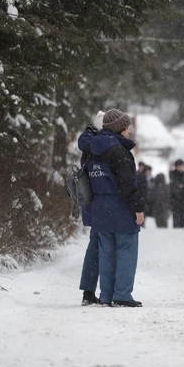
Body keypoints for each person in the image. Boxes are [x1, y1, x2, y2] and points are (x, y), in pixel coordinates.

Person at [85, 109, 146, 307]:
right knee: (126, 251)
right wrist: (138, 208)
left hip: (100, 208)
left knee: (106, 254)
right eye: (127, 128)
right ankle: (122, 295)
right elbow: (126, 184)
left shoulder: (93, 149)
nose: (129, 132)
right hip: (120, 207)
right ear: (120, 129)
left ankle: (106, 295)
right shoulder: (119, 151)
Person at [76, 110, 105, 305]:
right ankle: (110, 291)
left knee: (94, 247)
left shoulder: (88, 143)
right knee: (106, 247)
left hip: (92, 203)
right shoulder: (101, 144)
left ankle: (88, 291)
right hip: (104, 203)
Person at [169, 159, 184, 228]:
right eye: (181, 166)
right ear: (177, 166)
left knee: (183, 220)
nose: (182, 167)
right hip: (175, 201)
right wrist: (180, 187)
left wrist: (183, 187)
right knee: (176, 220)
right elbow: (172, 188)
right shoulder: (173, 175)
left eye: (183, 166)